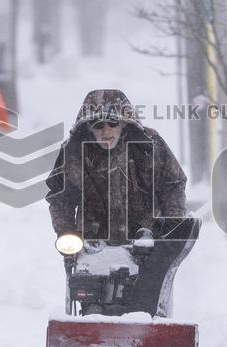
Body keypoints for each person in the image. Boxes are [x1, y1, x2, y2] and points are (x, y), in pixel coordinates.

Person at [46, 89, 199, 316]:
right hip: (92, 244)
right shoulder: (73, 153)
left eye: (112, 122)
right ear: (88, 127)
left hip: (145, 242)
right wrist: (67, 233)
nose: (105, 130)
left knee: (147, 305)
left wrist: (171, 225)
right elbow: (60, 197)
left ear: (124, 124)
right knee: (92, 303)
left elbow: (173, 184)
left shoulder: (149, 146)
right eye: (98, 125)